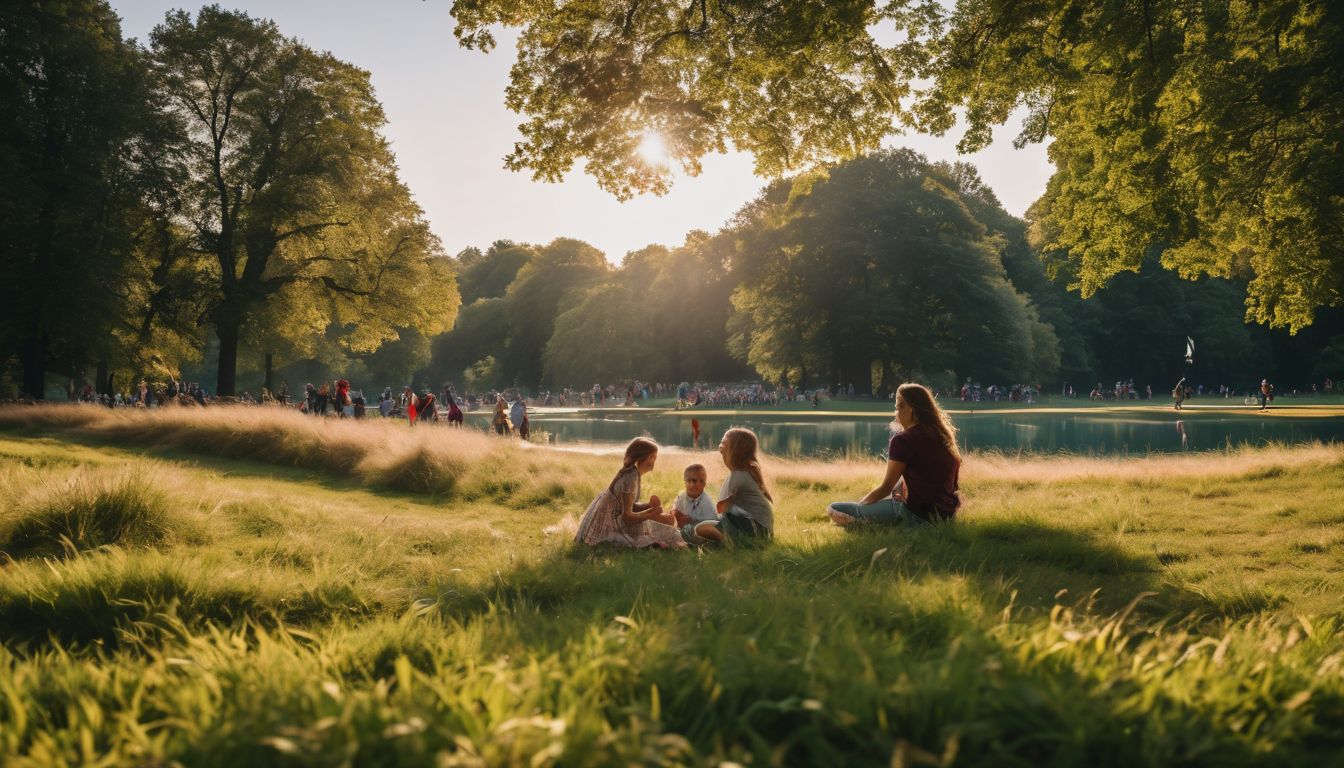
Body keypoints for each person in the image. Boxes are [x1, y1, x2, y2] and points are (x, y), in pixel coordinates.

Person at [827, 382, 961, 527]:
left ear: (910, 409)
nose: (895, 412)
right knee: (896, 497)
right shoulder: (942, 435)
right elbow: (946, 483)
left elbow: (886, 488)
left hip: (918, 515)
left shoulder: (903, 440)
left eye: (897, 407)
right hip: (947, 516)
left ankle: (863, 519)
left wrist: (862, 507)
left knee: (835, 508)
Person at [573, 438, 685, 549]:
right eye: (651, 457)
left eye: (655, 458)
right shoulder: (630, 478)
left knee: (669, 520)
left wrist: (648, 506)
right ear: (640, 457)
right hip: (612, 525)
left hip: (617, 519)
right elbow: (627, 517)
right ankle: (655, 544)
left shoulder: (632, 473)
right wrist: (651, 514)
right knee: (669, 525)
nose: (653, 462)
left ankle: (656, 541)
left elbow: (628, 506)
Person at [693, 428, 774, 545]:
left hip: (757, 529)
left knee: (700, 528)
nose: (720, 449)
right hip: (761, 530)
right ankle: (725, 541)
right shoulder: (740, 474)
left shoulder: (739, 476)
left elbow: (722, 508)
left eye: (724, 446)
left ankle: (729, 544)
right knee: (702, 528)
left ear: (736, 451)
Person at [672, 464, 718, 546]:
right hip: (684, 529)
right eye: (689, 481)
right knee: (673, 528)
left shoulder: (707, 502)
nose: (692, 485)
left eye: (697, 481)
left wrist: (689, 522)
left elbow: (709, 525)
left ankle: (692, 543)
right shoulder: (681, 497)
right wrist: (677, 516)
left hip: (701, 532)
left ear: (704, 484)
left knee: (688, 530)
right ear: (684, 482)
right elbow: (674, 512)